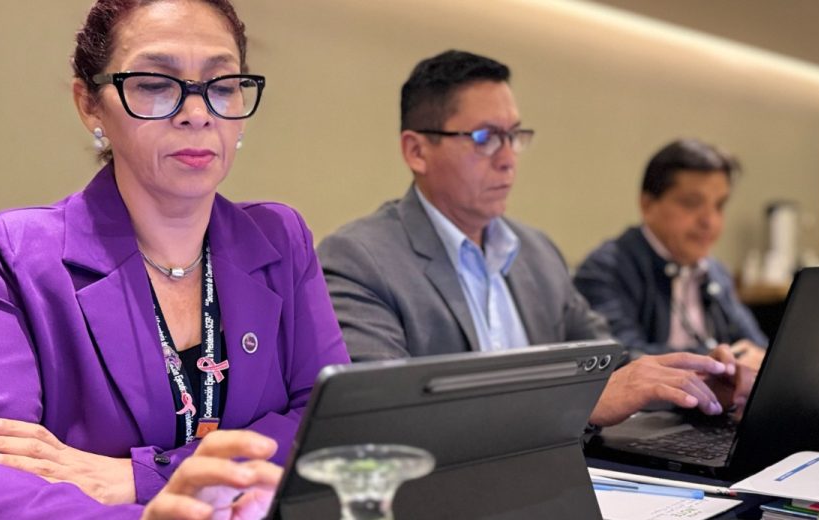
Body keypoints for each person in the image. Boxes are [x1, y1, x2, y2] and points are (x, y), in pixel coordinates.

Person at [0, 1, 348, 517]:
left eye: (222, 85)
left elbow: (332, 426)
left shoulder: (280, 239)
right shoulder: (20, 255)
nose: (197, 113)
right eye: (156, 84)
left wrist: (148, 475)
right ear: (89, 105)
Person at [317, 50, 746, 428]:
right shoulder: (360, 260)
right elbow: (383, 417)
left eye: (514, 136)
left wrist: (691, 379)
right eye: (485, 138)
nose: (508, 160)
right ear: (417, 151)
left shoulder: (537, 252)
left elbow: (612, 364)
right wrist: (579, 405)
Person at [573, 139, 768, 371]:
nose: (709, 221)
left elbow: (757, 350)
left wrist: (746, 360)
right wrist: (720, 361)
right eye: (692, 204)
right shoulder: (605, 269)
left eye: (719, 206)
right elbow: (618, 358)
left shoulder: (715, 272)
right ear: (647, 205)